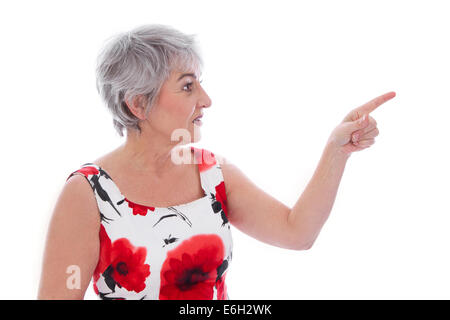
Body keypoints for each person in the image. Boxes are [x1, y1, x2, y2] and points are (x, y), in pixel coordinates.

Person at [37, 23, 396, 300]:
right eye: (188, 86)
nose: (206, 100)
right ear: (138, 104)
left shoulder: (213, 174)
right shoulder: (87, 192)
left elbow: (297, 232)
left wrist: (337, 151)